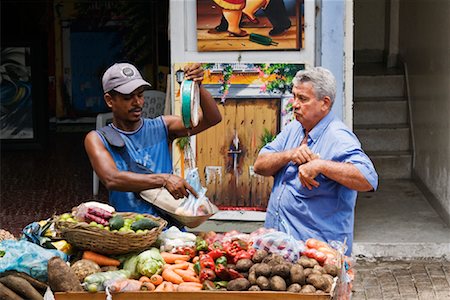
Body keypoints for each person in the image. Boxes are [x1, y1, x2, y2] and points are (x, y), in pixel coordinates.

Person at [253, 67, 378, 255]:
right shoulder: (294, 128)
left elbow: (368, 179)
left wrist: (321, 165)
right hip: (281, 250)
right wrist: (289, 154)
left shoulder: (338, 136)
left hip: (317, 257)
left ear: (324, 104)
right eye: (294, 97)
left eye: (302, 99)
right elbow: (259, 166)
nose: (295, 104)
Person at [84, 62, 222, 226]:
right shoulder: (97, 139)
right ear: (109, 100)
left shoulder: (163, 126)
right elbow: (112, 179)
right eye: (128, 97)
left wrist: (198, 86)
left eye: (140, 95)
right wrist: (164, 179)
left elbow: (212, 118)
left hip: (169, 229)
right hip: (129, 231)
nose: (137, 102)